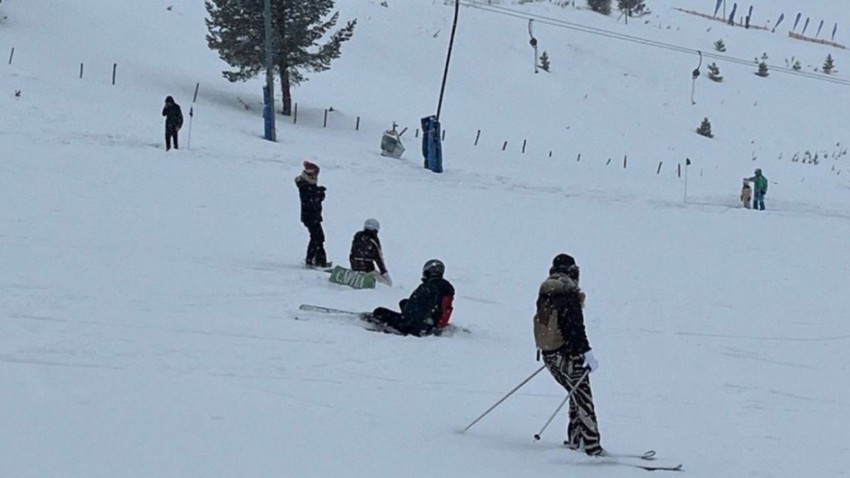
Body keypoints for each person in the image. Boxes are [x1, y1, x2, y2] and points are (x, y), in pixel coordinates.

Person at [534, 253, 603, 456]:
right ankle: (591, 447)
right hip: (568, 354)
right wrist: (586, 353)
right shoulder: (568, 294)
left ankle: (576, 441)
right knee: (583, 399)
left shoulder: (545, 292)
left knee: (575, 394)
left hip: (548, 354)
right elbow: (575, 329)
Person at [368, 259, 454, 336]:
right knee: (403, 302)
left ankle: (374, 323)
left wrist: (406, 318)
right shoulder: (445, 287)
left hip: (415, 327)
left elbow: (414, 310)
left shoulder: (426, 288)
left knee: (379, 311)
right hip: (430, 323)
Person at [295, 160, 329, 267]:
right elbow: (311, 199)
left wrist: (319, 193)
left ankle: (318, 260)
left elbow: (315, 198)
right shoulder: (305, 185)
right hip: (310, 216)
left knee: (318, 237)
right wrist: (318, 193)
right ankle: (314, 261)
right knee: (317, 237)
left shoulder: (309, 184)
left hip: (313, 216)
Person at [349, 218, 392, 285]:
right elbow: (378, 258)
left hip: (355, 268)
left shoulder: (358, 236)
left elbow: (352, 253)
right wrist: (385, 273)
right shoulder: (373, 240)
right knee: (384, 283)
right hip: (368, 270)